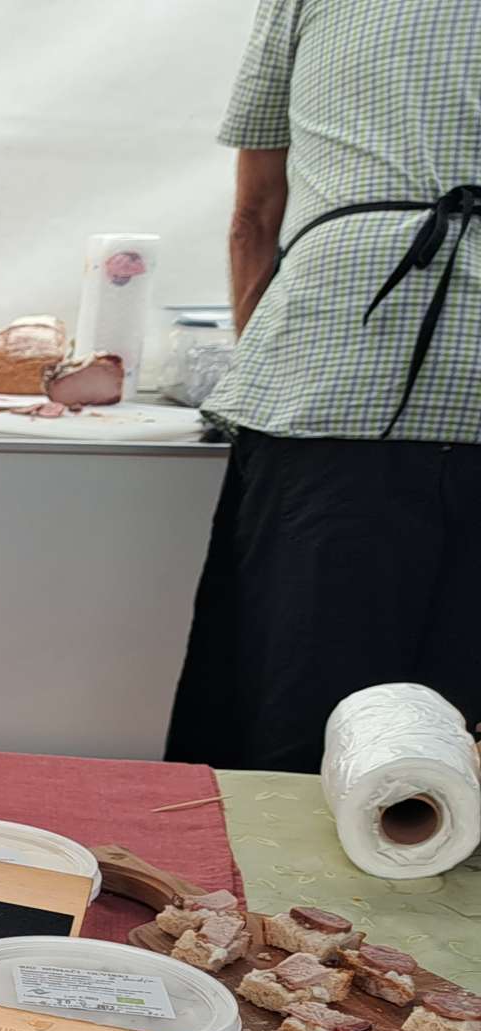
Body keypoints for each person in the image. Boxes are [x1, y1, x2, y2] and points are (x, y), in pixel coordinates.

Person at [165, 0, 480, 773]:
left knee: (296, 696)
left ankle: (270, 852)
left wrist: (264, 359)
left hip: (330, 365)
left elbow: (253, 215)